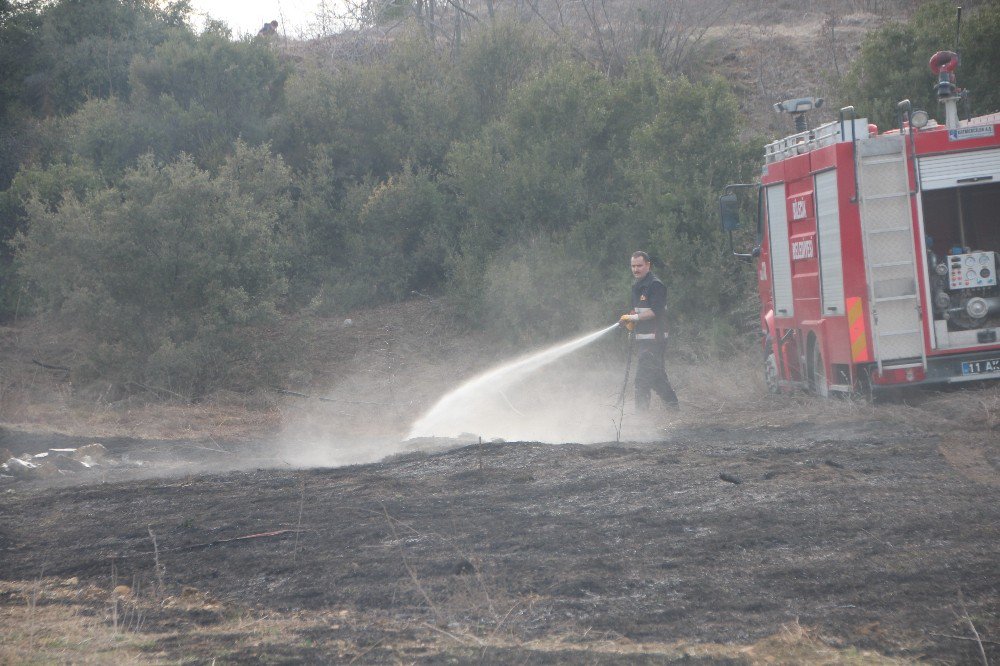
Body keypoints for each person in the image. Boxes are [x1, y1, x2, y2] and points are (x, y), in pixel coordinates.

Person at [619, 251, 679, 411]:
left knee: (642, 380)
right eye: (633, 266)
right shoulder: (637, 286)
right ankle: (674, 409)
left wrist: (635, 318)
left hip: (655, 339)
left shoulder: (655, 285)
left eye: (639, 265)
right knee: (657, 378)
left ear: (648, 265)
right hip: (644, 339)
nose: (636, 269)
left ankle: (641, 420)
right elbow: (639, 311)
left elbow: (656, 311)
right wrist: (631, 319)